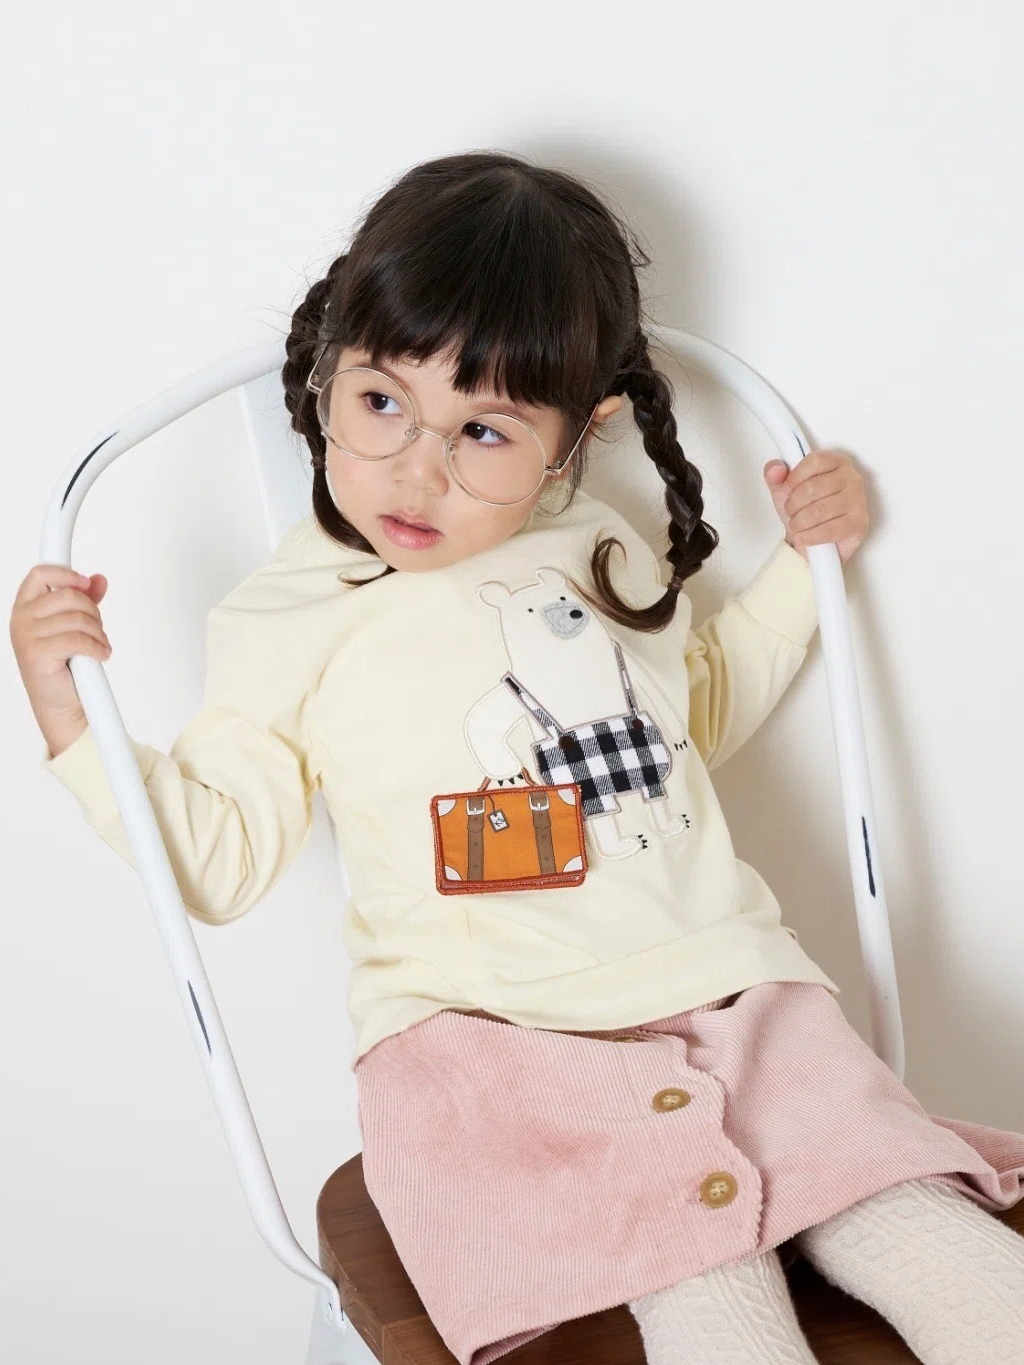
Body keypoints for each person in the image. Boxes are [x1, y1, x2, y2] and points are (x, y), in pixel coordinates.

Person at [12, 151, 1024, 1365]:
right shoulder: (289, 616)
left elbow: (679, 724)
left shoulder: (598, 545)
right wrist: (71, 716)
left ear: (577, 437)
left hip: (738, 1001)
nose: (415, 469)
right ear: (329, 369)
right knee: (702, 1286)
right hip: (499, 1052)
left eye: (483, 430)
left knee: (923, 1229)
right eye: (380, 403)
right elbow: (218, 864)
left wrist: (805, 570)